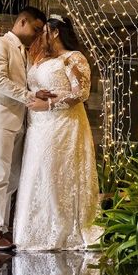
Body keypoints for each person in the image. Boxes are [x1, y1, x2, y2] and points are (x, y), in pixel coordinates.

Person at [12, 14, 102, 251]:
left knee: (56, 174)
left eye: (43, 32)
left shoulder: (73, 58)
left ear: (55, 32)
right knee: (37, 174)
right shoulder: (39, 58)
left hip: (63, 124)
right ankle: (32, 232)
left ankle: (63, 230)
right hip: (38, 127)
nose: (40, 36)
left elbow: (81, 93)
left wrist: (50, 104)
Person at [0, 7, 52, 251]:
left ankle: (5, 228)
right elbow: (0, 83)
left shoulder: (26, 53)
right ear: (22, 21)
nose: (37, 35)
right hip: (0, 121)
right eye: (35, 29)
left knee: (13, 180)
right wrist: (30, 96)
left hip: (21, 123)